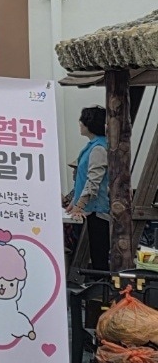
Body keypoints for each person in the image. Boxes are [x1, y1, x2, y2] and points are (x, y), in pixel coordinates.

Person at [67, 106, 111, 271]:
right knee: (95, 250)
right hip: (89, 208)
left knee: (99, 254)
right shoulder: (94, 145)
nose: (79, 123)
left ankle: (103, 291)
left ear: (89, 124)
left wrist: (79, 205)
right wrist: (74, 201)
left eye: (82, 120)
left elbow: (93, 182)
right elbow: (82, 179)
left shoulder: (98, 149)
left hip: (97, 209)